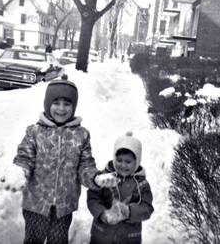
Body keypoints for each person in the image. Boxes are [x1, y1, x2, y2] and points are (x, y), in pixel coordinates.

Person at [13, 74, 116, 244]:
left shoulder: (81, 135)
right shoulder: (35, 132)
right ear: (47, 104)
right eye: (56, 103)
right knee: (33, 240)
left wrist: (96, 178)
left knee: (58, 240)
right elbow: (25, 157)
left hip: (64, 206)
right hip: (36, 203)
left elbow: (85, 166)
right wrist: (19, 172)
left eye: (67, 104)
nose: (61, 108)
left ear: (73, 106)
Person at [87, 131, 154, 244]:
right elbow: (93, 198)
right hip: (102, 235)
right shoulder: (105, 178)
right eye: (119, 160)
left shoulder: (141, 184)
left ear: (136, 162)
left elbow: (147, 208)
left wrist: (129, 212)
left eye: (128, 162)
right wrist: (102, 214)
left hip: (129, 238)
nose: (123, 165)